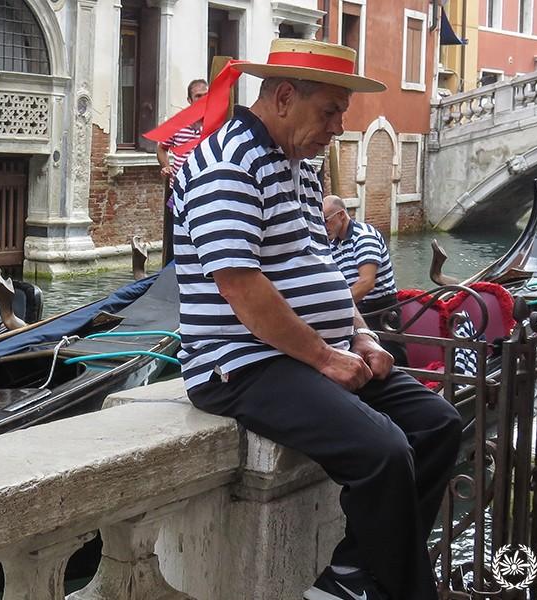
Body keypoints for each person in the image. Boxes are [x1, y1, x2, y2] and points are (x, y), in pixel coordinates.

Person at [168, 38, 460, 600]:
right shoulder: (225, 163)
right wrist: (325, 357)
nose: (336, 127)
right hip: (241, 364)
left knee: (437, 424)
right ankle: (407, 589)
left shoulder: (299, 166)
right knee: (383, 451)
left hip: (311, 355)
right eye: (330, 112)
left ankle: (351, 573)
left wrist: (361, 333)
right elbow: (240, 286)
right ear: (283, 97)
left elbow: (320, 265)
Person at [322, 195, 408, 367]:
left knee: (391, 362)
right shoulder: (333, 244)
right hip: (357, 309)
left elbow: (366, 283)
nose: (323, 227)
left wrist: (338, 307)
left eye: (325, 220)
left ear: (341, 215)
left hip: (380, 311)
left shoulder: (364, 237)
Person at [156, 79, 210, 263]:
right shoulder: (178, 124)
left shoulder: (215, 124)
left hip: (205, 190)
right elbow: (161, 148)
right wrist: (166, 166)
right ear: (189, 100)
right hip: (179, 191)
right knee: (177, 239)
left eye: (206, 95)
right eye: (198, 96)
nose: (203, 99)